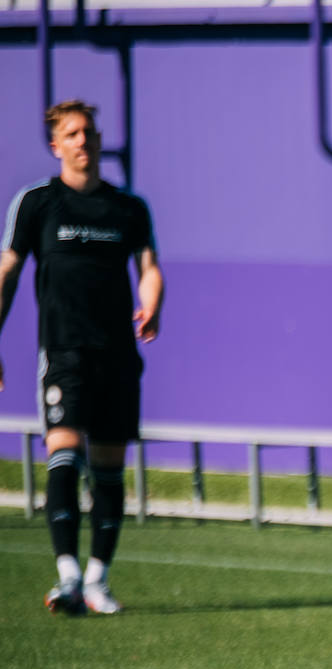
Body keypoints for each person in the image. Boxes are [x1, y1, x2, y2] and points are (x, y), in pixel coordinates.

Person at [0, 99, 164, 616]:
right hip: (64, 353)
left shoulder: (127, 208)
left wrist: (152, 302)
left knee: (110, 470)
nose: (82, 141)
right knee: (65, 456)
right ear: (56, 145)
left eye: (89, 132)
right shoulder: (36, 203)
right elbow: (6, 272)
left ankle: (98, 580)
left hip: (117, 356)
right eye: (71, 133)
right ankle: (67, 574)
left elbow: (150, 266)